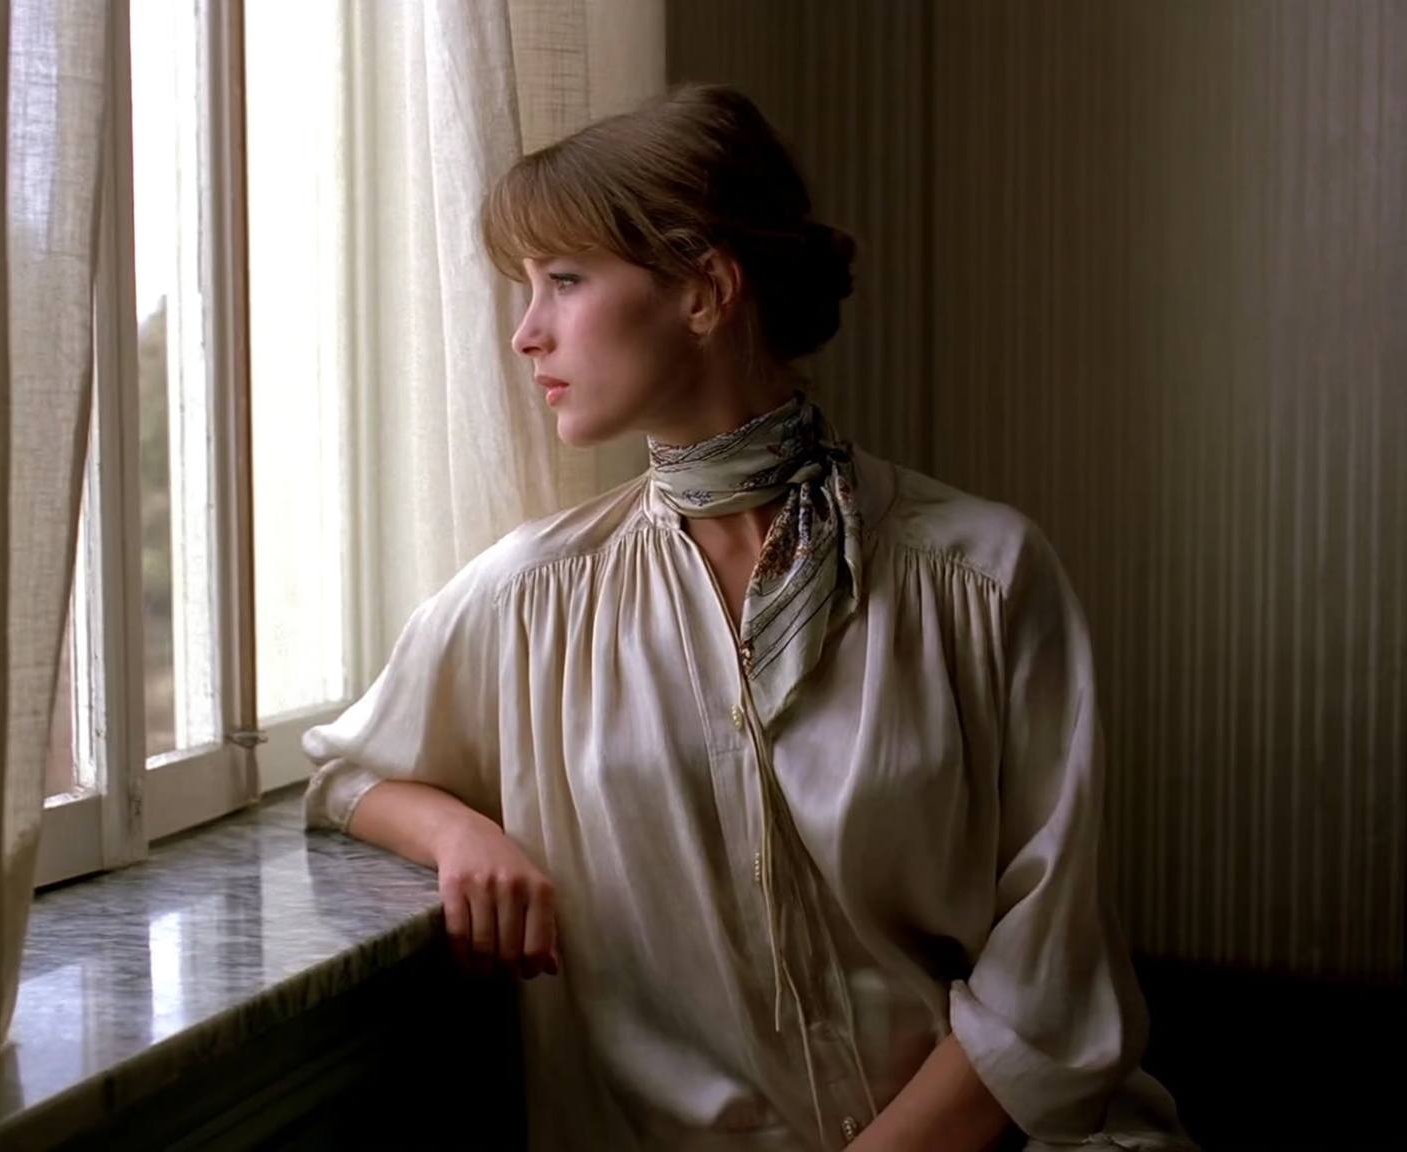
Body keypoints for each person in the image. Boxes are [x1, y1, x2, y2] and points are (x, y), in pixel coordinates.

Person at [302, 83, 1196, 1152]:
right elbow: (346, 775)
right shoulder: (530, 598)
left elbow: (1052, 975)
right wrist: (461, 833)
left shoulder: (983, 577)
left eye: (565, 280)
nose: (525, 334)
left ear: (706, 291)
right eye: (524, 289)